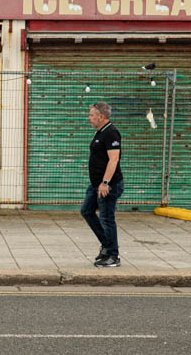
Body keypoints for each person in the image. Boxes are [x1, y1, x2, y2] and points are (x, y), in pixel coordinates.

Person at [81, 101, 124, 267]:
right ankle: (107, 246)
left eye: (91, 115)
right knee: (86, 211)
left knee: (106, 218)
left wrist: (105, 183)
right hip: (96, 184)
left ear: (101, 116)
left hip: (108, 185)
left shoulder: (111, 133)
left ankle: (113, 255)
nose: (89, 118)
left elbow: (114, 160)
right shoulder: (100, 132)